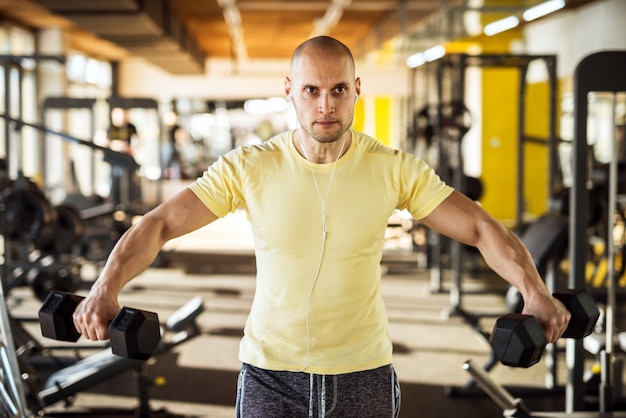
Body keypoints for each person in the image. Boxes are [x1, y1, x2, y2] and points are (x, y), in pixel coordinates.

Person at [73, 36, 571, 417]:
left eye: (337, 90)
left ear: (357, 89)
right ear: (290, 91)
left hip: (364, 375)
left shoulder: (392, 168)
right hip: (270, 375)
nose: (325, 105)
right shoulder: (249, 167)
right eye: (311, 90)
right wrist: (105, 285)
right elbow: (160, 224)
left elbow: (481, 228)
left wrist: (534, 291)